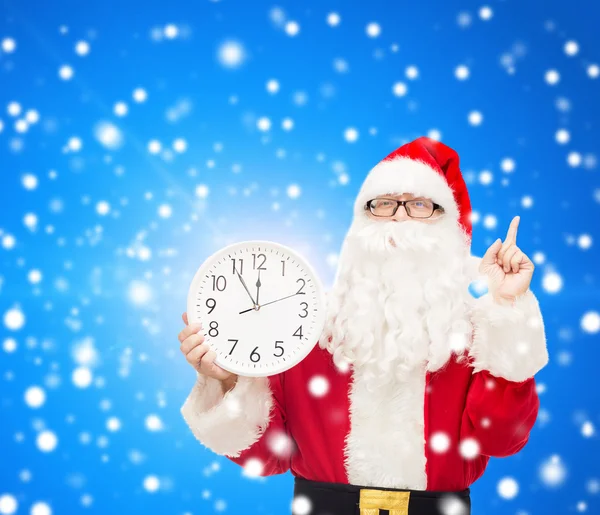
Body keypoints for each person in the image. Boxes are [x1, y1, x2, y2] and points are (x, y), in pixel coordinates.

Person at [178, 136, 549, 515]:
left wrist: (507, 309)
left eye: (420, 204)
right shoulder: (308, 326)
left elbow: (502, 439)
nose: (400, 216)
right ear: (360, 221)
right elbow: (267, 456)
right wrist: (226, 381)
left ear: (449, 227)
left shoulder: (475, 333)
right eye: (384, 204)